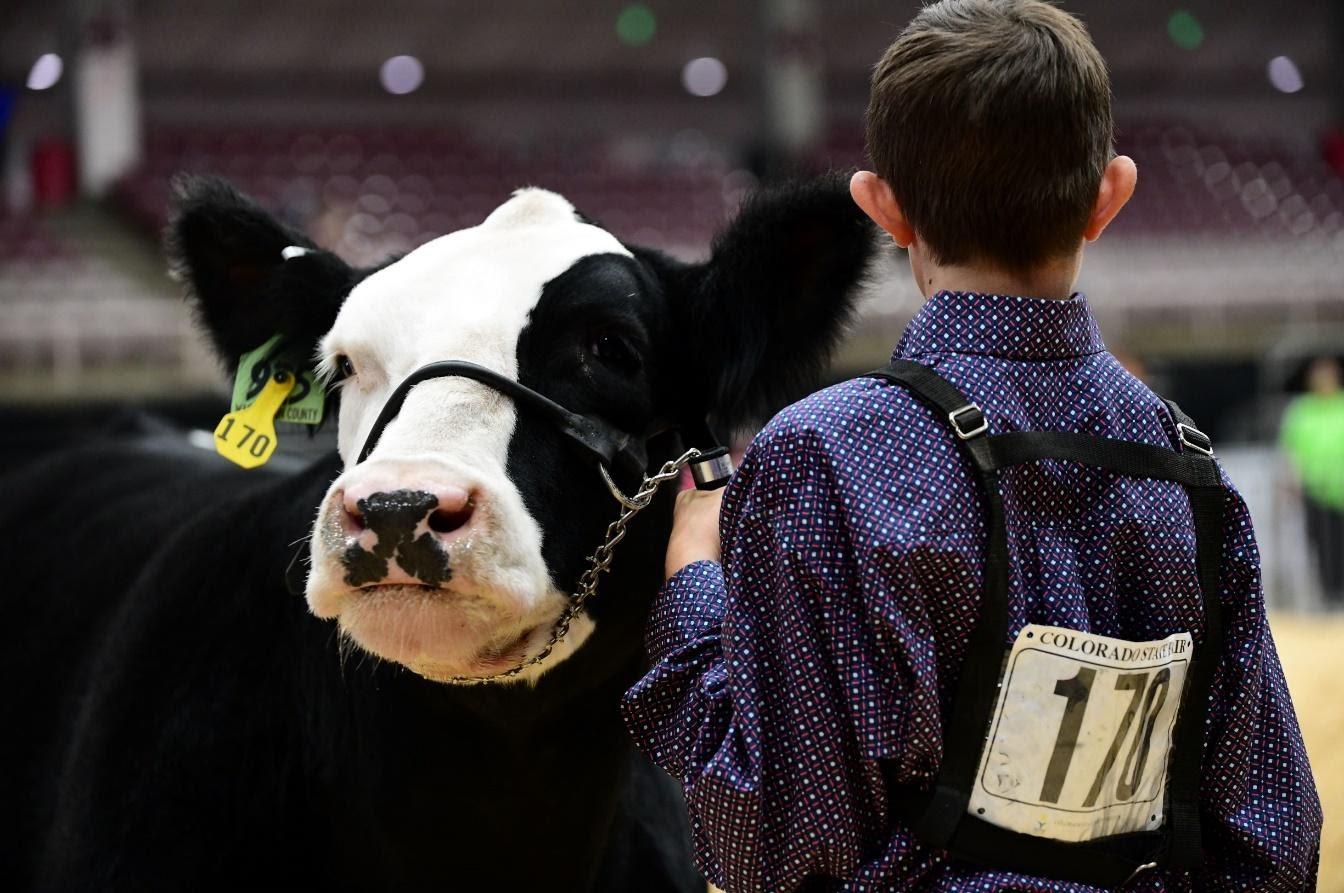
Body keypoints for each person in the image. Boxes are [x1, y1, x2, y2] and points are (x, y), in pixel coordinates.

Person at [620, 1, 1322, 890]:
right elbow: (1271, 841)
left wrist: (692, 586)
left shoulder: (819, 456)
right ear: (1109, 196)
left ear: (884, 209)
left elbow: (774, 836)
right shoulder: (1195, 475)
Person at [1281, 355, 1344, 605]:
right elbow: (1290, 449)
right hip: (1314, 489)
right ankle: (1330, 596)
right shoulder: (1302, 410)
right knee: (1321, 545)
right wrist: (1291, 479)